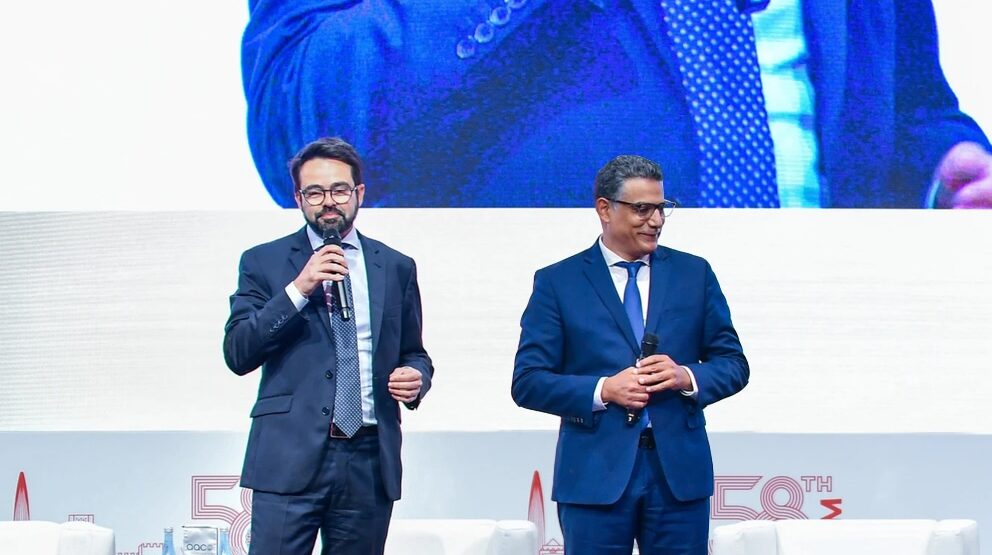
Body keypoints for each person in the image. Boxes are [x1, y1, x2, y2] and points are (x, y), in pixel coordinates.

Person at [241, 0, 992, 208]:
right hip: (534, 401)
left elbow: (907, 111)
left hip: (813, 381)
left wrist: (944, 176)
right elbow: (303, 123)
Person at [512, 155, 748, 554]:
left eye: (662, 208)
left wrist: (686, 377)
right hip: (592, 476)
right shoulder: (558, 282)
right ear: (604, 209)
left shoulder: (695, 274)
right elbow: (529, 382)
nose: (654, 220)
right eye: (642, 209)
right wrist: (604, 390)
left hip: (678, 478)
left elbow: (733, 364)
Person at [223, 137, 433, 555]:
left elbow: (414, 351)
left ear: (359, 194)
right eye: (315, 193)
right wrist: (299, 288)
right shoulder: (264, 261)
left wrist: (417, 378)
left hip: (369, 458)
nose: (328, 202)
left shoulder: (394, 265)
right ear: (299, 199)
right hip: (289, 455)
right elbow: (238, 352)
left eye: (339, 190)